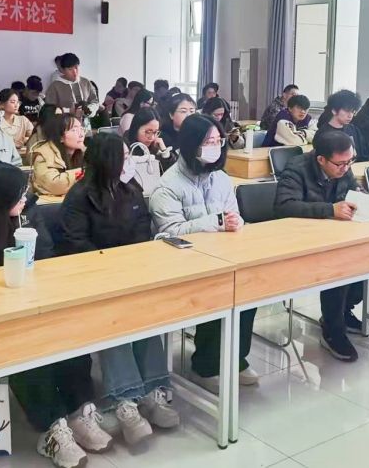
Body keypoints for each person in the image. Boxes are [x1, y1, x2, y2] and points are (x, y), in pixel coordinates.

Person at [0, 161, 99, 468]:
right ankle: (51, 427)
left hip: (33, 297)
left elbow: (46, 252)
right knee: (27, 346)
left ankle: (79, 410)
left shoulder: (27, 210)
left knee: (70, 333)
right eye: (18, 195)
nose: (24, 199)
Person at [61, 133, 178, 444]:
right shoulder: (78, 197)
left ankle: (152, 391)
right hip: (94, 280)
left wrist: (132, 265)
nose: (130, 163)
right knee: (114, 318)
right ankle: (125, 400)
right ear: (108, 161)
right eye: (124, 158)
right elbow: (76, 244)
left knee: (146, 314)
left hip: (131, 274)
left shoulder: (130, 188)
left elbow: (142, 229)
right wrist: (113, 267)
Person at [148, 113, 258, 392]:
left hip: (222, 255)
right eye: (208, 142)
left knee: (250, 287)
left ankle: (236, 356)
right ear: (190, 144)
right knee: (218, 290)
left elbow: (233, 214)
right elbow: (171, 231)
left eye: (218, 141)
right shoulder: (168, 185)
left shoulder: (221, 179)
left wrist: (234, 222)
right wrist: (217, 222)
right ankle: (205, 366)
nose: (215, 147)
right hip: (182, 262)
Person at [273, 130, 366, 361]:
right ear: (321, 159)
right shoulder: (297, 168)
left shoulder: (343, 164)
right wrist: (330, 210)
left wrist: (361, 200)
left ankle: (342, 310)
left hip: (333, 233)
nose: (346, 168)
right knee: (339, 263)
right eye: (340, 164)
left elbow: (353, 190)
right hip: (300, 238)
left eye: (350, 161)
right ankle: (333, 329)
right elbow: (284, 206)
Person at [30, 113, 86, 196]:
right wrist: (84, 172)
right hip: (50, 203)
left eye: (81, 129)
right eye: (74, 130)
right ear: (60, 137)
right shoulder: (43, 155)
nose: (81, 135)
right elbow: (54, 185)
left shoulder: (84, 152)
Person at [314, 89, 369, 162]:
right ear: (334, 110)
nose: (350, 115)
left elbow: (366, 153)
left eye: (353, 111)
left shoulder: (353, 129)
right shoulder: (323, 134)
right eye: (347, 111)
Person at [126, 108, 174, 194]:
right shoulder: (124, 146)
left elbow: (171, 175)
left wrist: (165, 153)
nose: (151, 137)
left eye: (155, 132)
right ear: (136, 128)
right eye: (148, 132)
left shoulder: (156, 145)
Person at [46, 53, 99, 120]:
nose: (74, 72)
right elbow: (49, 110)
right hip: (64, 124)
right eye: (70, 69)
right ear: (63, 70)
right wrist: (68, 110)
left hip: (85, 124)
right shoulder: (55, 86)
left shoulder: (85, 82)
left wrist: (90, 110)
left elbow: (95, 101)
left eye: (76, 68)